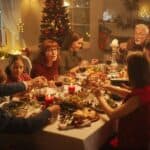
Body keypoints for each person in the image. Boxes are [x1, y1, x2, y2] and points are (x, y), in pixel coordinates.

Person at [99, 51, 150, 149]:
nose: (126, 69)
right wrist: (105, 86)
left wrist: (99, 97)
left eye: (128, 66)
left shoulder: (137, 98)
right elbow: (126, 93)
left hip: (132, 142)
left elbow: (112, 114)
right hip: (138, 135)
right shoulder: (145, 87)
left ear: (134, 72)